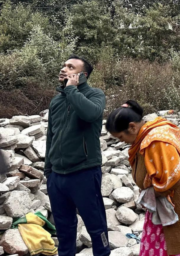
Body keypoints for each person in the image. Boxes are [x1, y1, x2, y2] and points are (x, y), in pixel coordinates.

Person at [106, 101, 180, 256]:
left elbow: (170, 177)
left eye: (121, 137)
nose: (121, 142)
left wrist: (149, 191)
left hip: (178, 204)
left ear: (132, 127)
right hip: (163, 206)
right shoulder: (144, 137)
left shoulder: (156, 141)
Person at [44, 56, 109, 256]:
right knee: (64, 229)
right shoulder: (57, 100)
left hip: (84, 172)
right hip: (57, 176)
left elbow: (90, 114)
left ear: (83, 75)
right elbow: (51, 135)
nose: (63, 69)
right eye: (63, 65)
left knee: (96, 225)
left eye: (70, 67)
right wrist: (48, 169)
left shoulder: (95, 95)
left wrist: (72, 88)